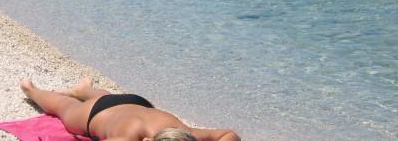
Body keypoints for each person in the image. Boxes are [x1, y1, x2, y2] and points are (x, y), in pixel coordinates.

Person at [20, 78, 241, 141]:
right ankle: (31, 90)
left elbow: (229, 135)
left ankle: (84, 89)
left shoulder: (186, 134)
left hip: (134, 102)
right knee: (64, 107)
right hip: (96, 113)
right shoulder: (126, 139)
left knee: (108, 98)